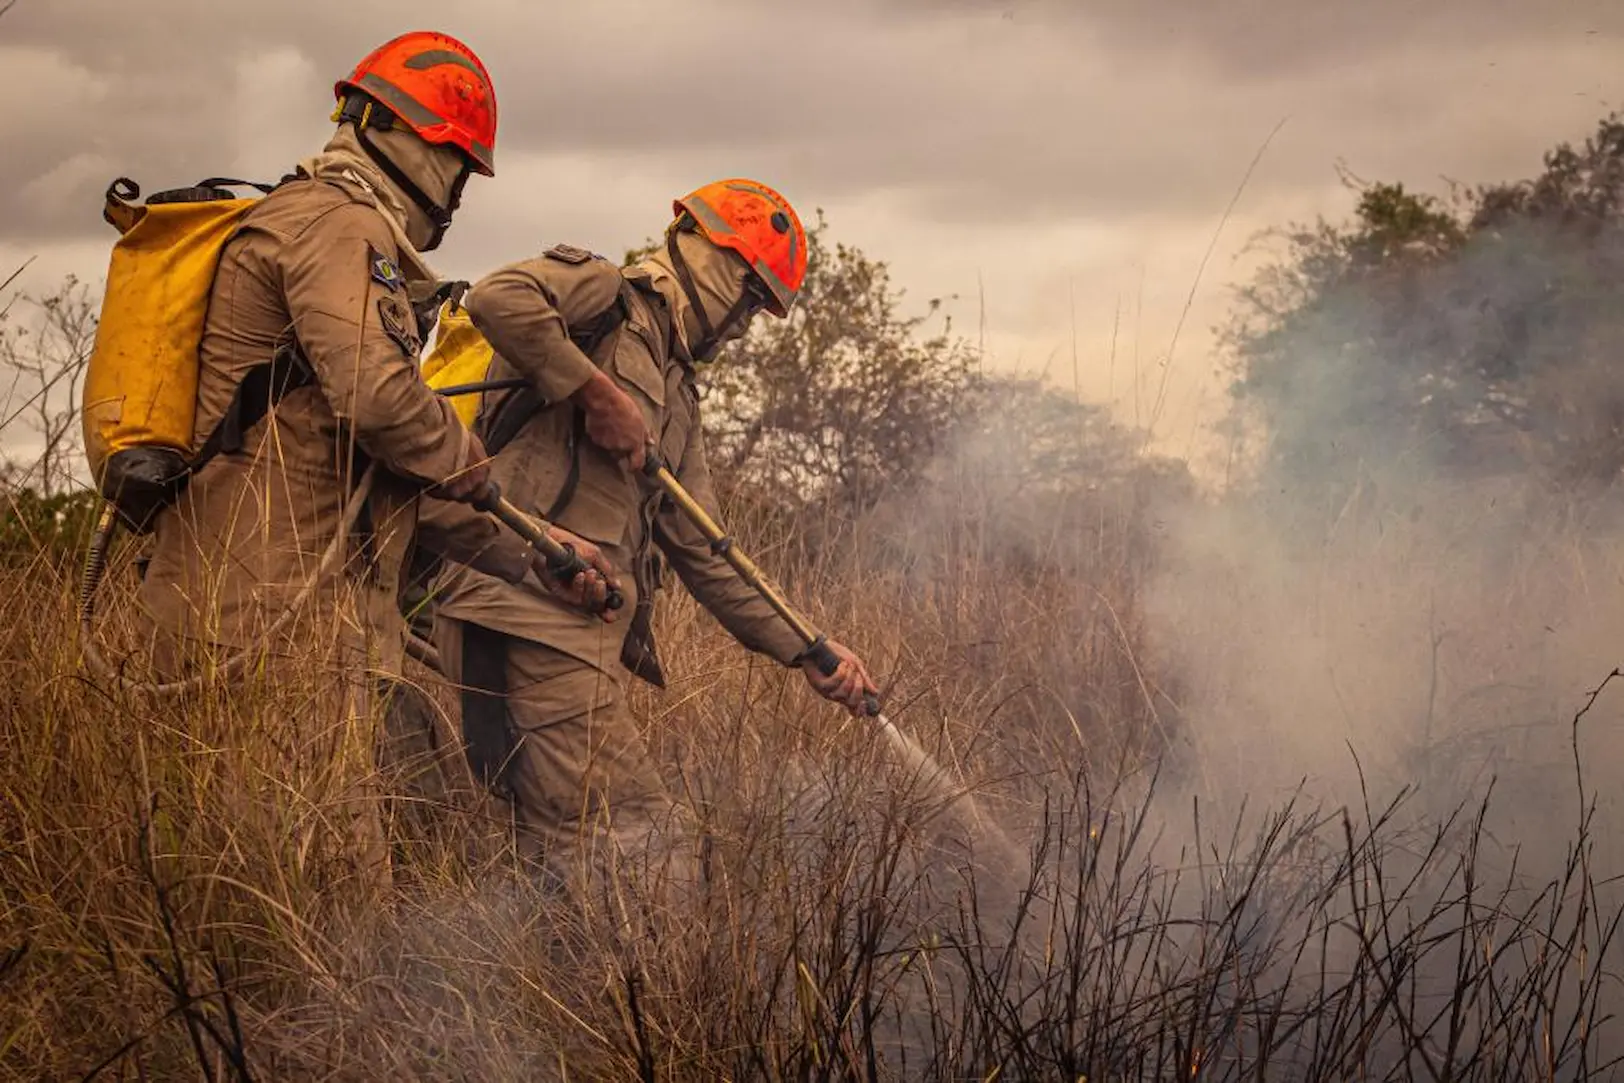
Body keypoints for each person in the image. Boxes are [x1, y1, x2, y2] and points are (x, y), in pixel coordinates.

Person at [135, 30, 614, 894]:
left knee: (258, 888)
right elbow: (385, 403)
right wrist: (456, 443)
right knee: (326, 891)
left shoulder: (322, 227)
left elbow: (396, 489)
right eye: (458, 164)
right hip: (273, 632)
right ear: (404, 136)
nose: (459, 193)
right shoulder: (336, 225)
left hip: (269, 624)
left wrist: (542, 552)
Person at [427, 179, 878, 899]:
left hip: (558, 633)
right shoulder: (604, 293)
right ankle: (645, 1006)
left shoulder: (677, 391)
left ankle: (548, 1005)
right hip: (528, 618)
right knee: (640, 841)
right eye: (751, 292)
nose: (747, 323)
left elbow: (706, 549)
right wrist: (596, 394)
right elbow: (495, 298)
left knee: (560, 861)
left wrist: (812, 649)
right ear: (706, 252)